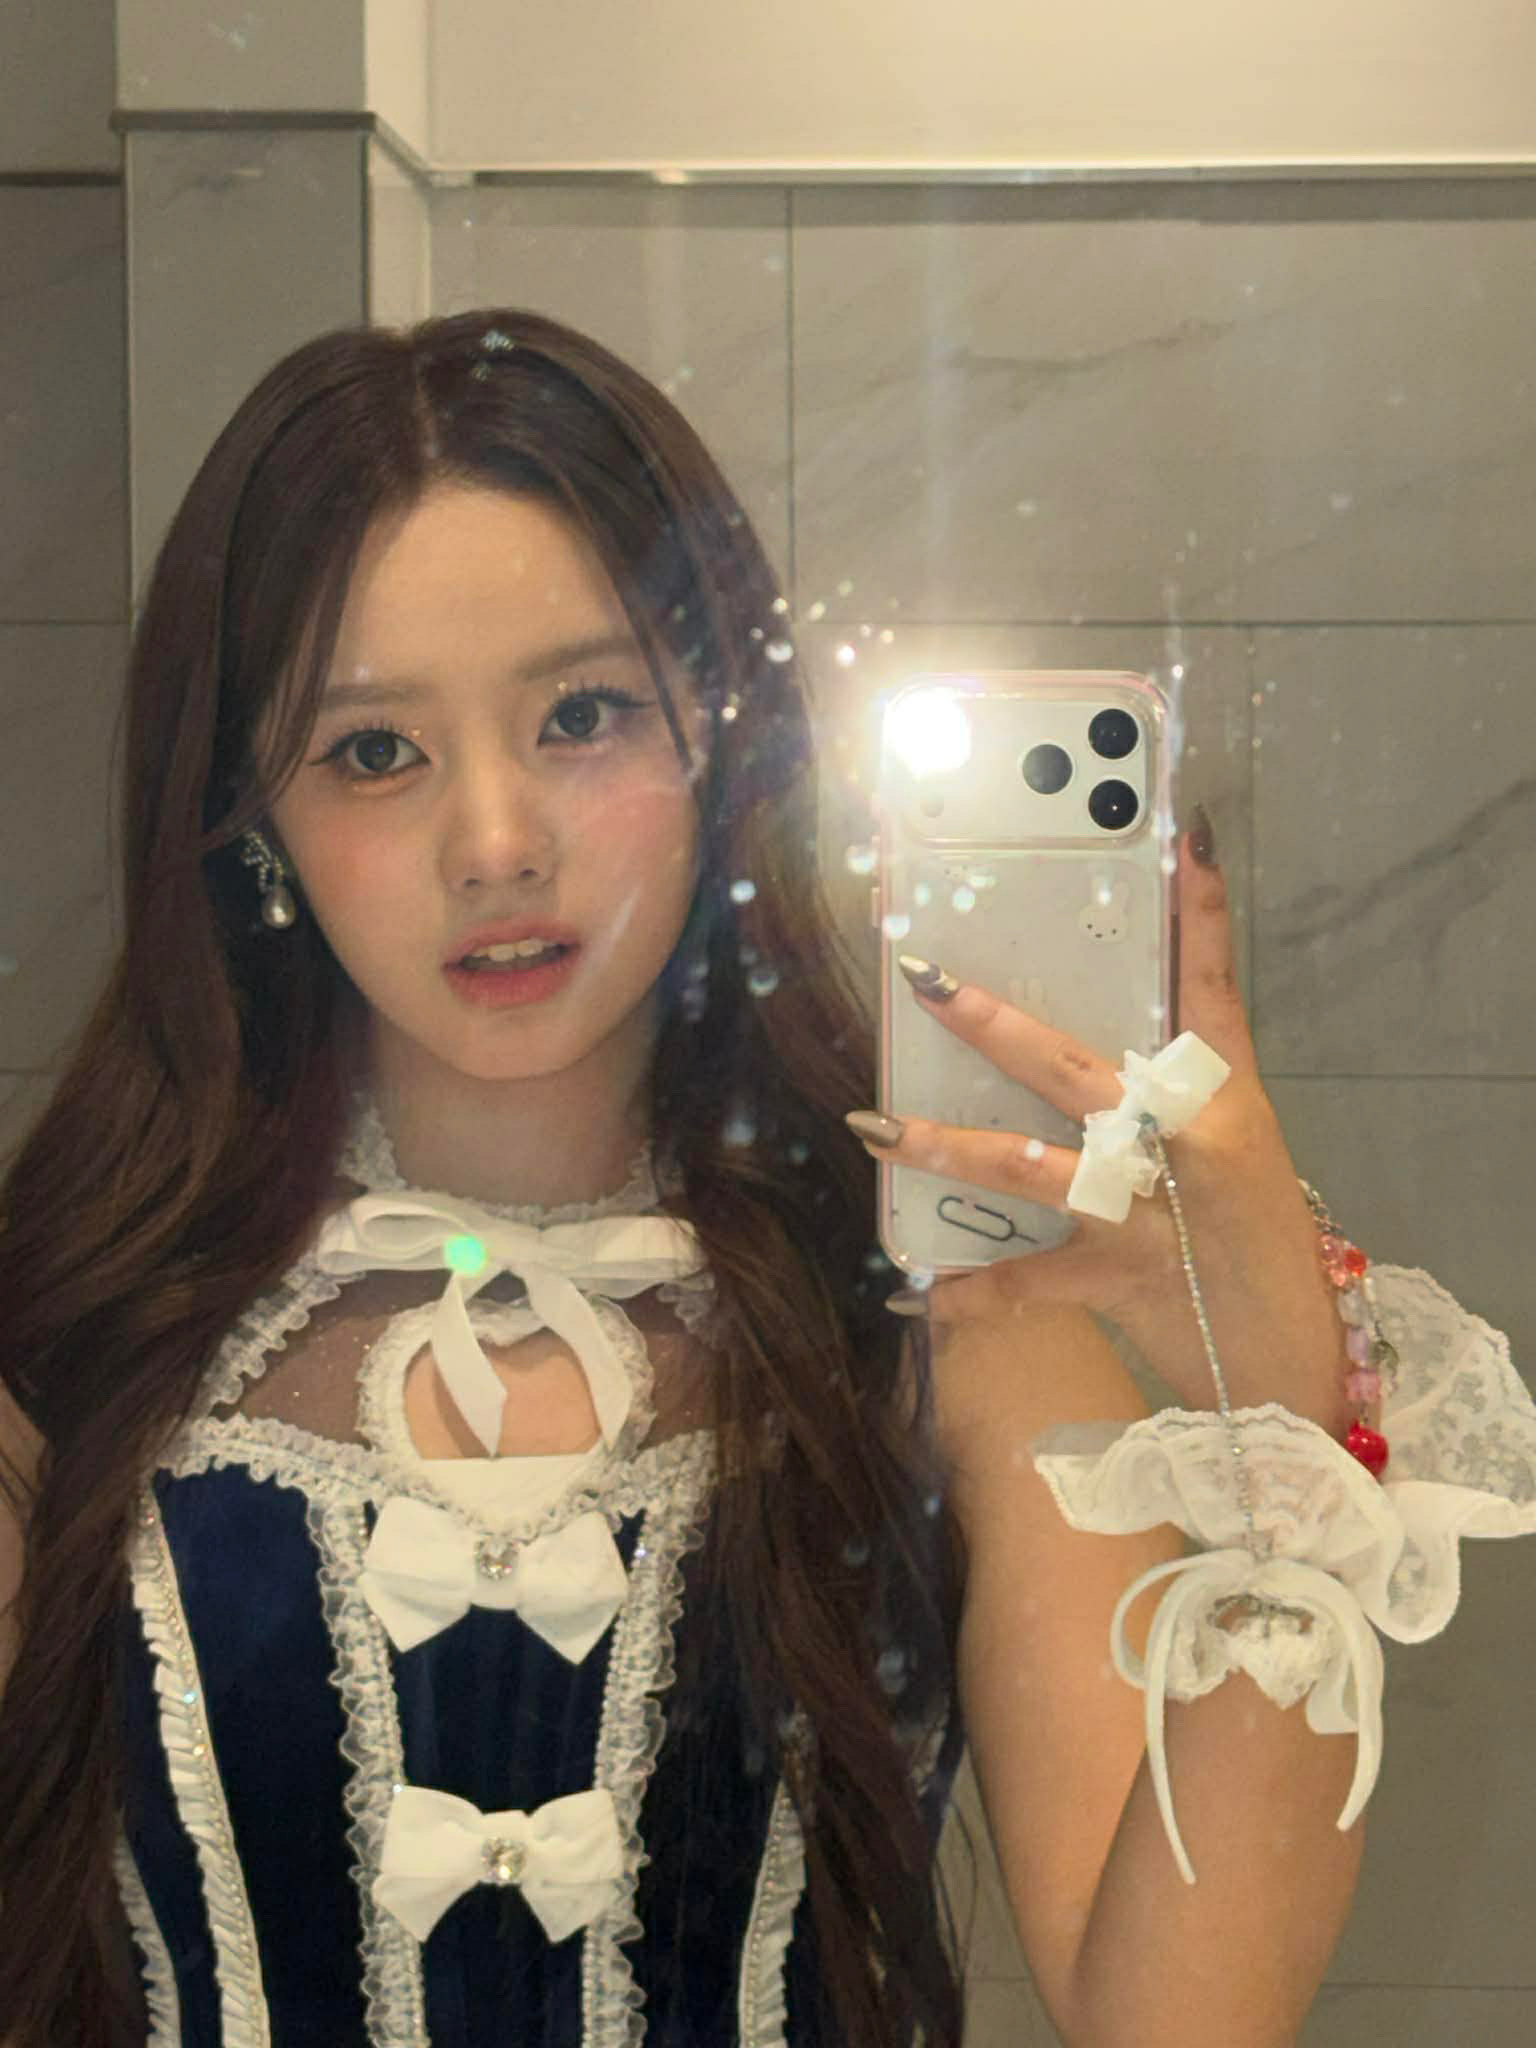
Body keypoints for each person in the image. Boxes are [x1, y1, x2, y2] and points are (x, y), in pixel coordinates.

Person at [0, 309, 1530, 2048]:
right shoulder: (74, 1335)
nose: (494, 842)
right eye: (373, 751)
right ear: (251, 818)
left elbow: (1176, 2023)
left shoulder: (951, 1318)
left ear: (720, 739)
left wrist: (1286, 1438)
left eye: (582, 715)